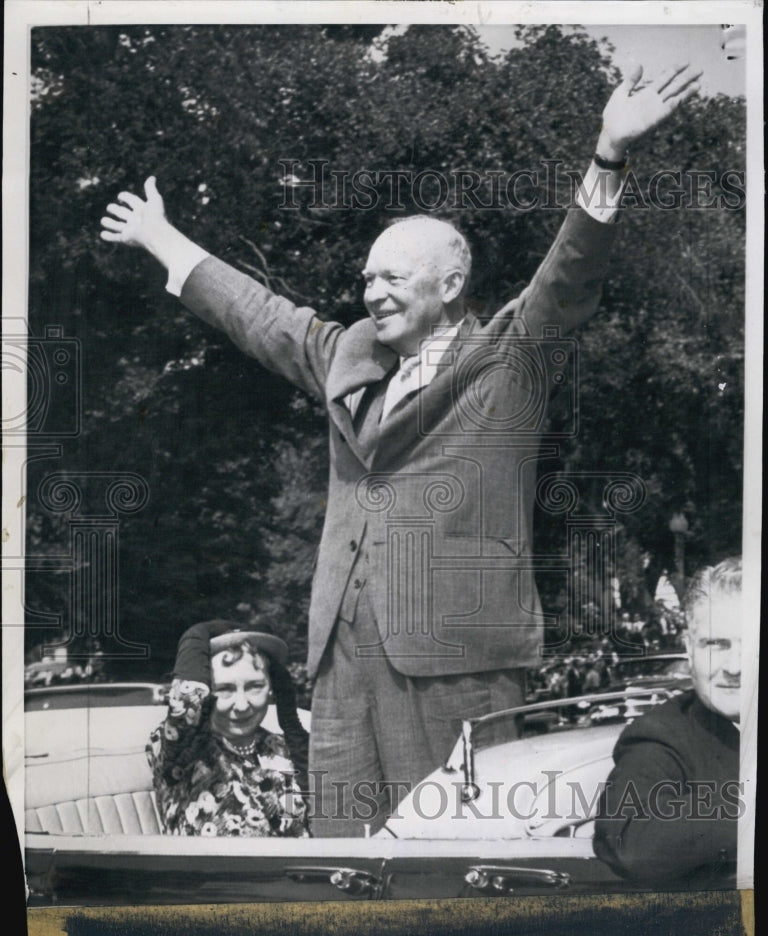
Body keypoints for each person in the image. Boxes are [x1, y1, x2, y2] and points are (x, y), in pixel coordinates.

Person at [103, 63, 701, 835]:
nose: (372, 291)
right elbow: (260, 315)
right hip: (340, 666)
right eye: (366, 277)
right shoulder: (348, 354)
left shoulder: (507, 359)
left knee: (449, 857)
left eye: (392, 277)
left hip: (456, 667)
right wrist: (162, 239)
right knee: (342, 860)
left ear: (451, 283)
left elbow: (568, 276)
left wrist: (609, 155)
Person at [593, 557, 742, 886]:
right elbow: (630, 840)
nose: (734, 666)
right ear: (689, 648)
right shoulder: (662, 737)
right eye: (716, 644)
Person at [147, 620, 309, 837]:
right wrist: (198, 633)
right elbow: (186, 704)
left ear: (272, 688)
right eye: (224, 689)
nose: (242, 705)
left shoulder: (283, 748)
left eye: (254, 687)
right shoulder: (178, 748)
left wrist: (289, 717)